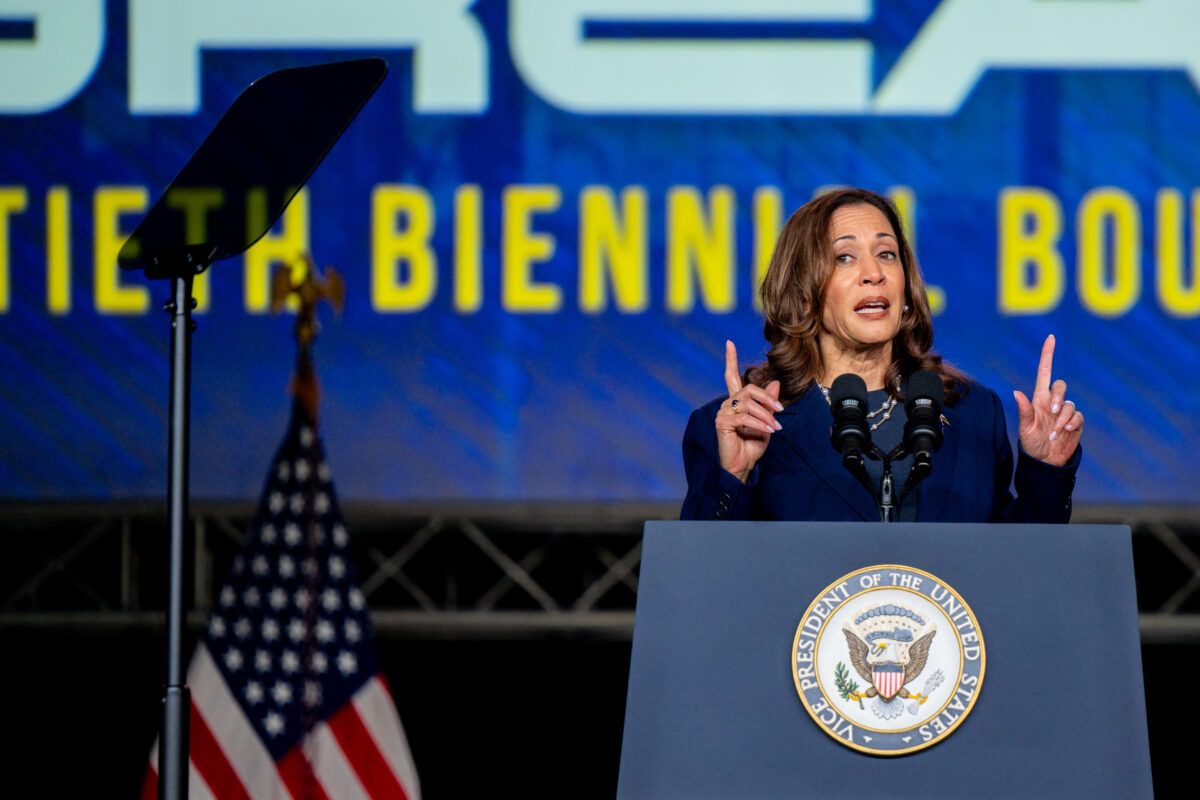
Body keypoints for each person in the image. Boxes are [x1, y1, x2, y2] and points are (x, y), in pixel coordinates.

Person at [681, 188, 1083, 522]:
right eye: (844, 257)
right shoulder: (748, 426)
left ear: (906, 288)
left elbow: (1015, 574)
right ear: (803, 296)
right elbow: (699, 587)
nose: (874, 273)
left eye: (886, 254)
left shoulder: (972, 414)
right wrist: (732, 474)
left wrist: (1046, 471)